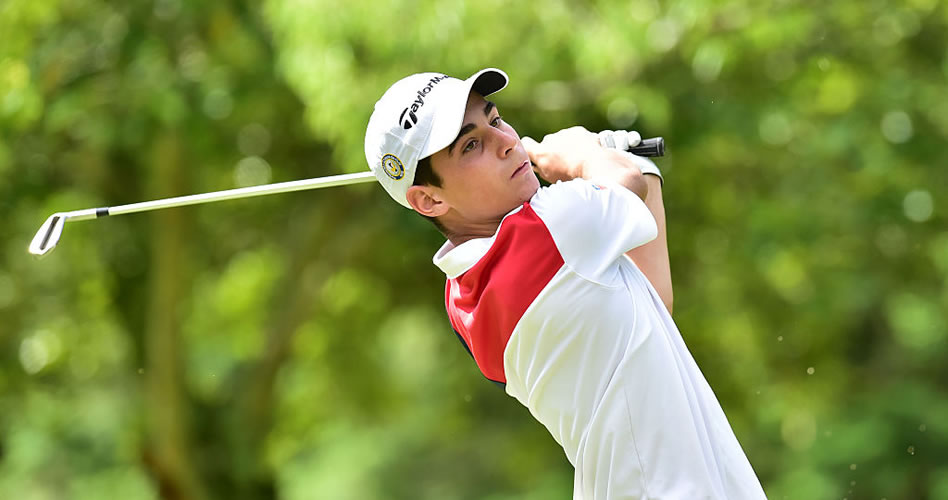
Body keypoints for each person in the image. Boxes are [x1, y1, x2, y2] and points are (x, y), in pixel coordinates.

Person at [364, 68, 767, 499]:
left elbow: (652, 305)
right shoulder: (549, 231)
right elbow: (622, 186)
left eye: (495, 120)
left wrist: (629, 165)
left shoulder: (462, 302)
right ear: (429, 200)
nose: (506, 142)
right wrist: (583, 154)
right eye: (471, 145)